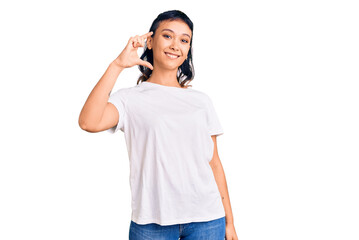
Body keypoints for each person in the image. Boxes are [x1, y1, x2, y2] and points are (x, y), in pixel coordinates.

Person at [78, 9, 238, 240]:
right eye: (168, 36)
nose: (176, 45)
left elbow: (214, 163)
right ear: (150, 41)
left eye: (184, 40)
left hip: (207, 219)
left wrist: (229, 221)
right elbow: (88, 122)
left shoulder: (201, 101)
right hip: (151, 224)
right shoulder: (129, 99)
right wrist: (117, 65)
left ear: (187, 51)